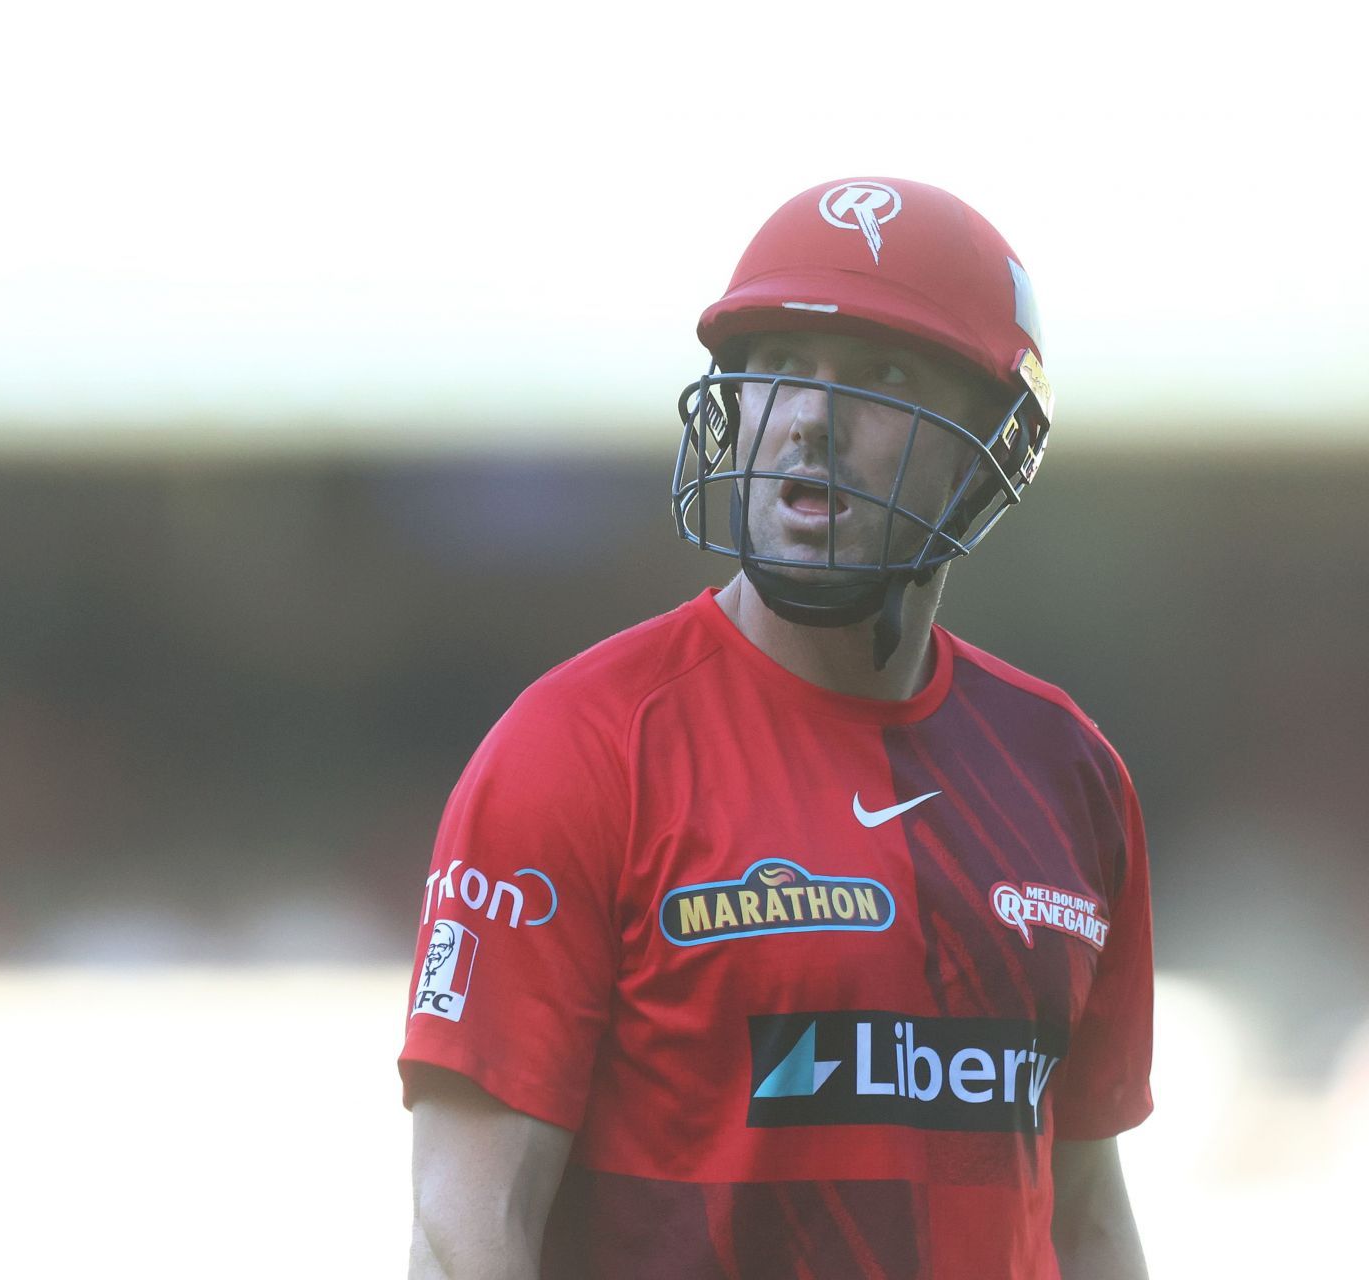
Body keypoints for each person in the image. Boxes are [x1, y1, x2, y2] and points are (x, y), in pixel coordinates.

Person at [400, 177, 1154, 1279]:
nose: (810, 415)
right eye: (779, 368)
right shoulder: (577, 748)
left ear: (993, 447)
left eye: (882, 377)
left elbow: (1084, 1214)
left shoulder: (1068, 773)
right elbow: (465, 1232)